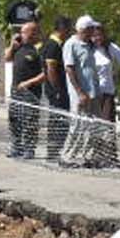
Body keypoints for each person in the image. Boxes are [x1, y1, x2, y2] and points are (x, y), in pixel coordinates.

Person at [61, 14, 120, 166]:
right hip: (80, 93)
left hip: (94, 91)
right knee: (78, 124)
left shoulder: (88, 45)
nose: (93, 32)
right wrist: (80, 92)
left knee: (94, 125)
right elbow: (69, 68)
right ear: (83, 29)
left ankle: (89, 156)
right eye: (90, 29)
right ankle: (67, 156)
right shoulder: (71, 44)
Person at [3, 18, 52, 159]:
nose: (20, 34)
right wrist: (12, 46)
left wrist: (29, 83)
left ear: (33, 34)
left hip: (31, 92)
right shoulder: (19, 47)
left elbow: (45, 74)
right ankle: (16, 148)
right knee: (14, 120)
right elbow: (6, 58)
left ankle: (29, 149)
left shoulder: (40, 49)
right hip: (16, 91)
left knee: (29, 121)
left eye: (23, 32)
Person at [41, 15, 75, 162]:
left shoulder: (58, 44)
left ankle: (57, 149)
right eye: (68, 30)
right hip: (57, 91)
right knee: (57, 120)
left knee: (61, 120)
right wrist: (58, 90)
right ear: (63, 29)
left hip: (59, 89)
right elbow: (51, 69)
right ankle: (53, 151)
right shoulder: (53, 45)